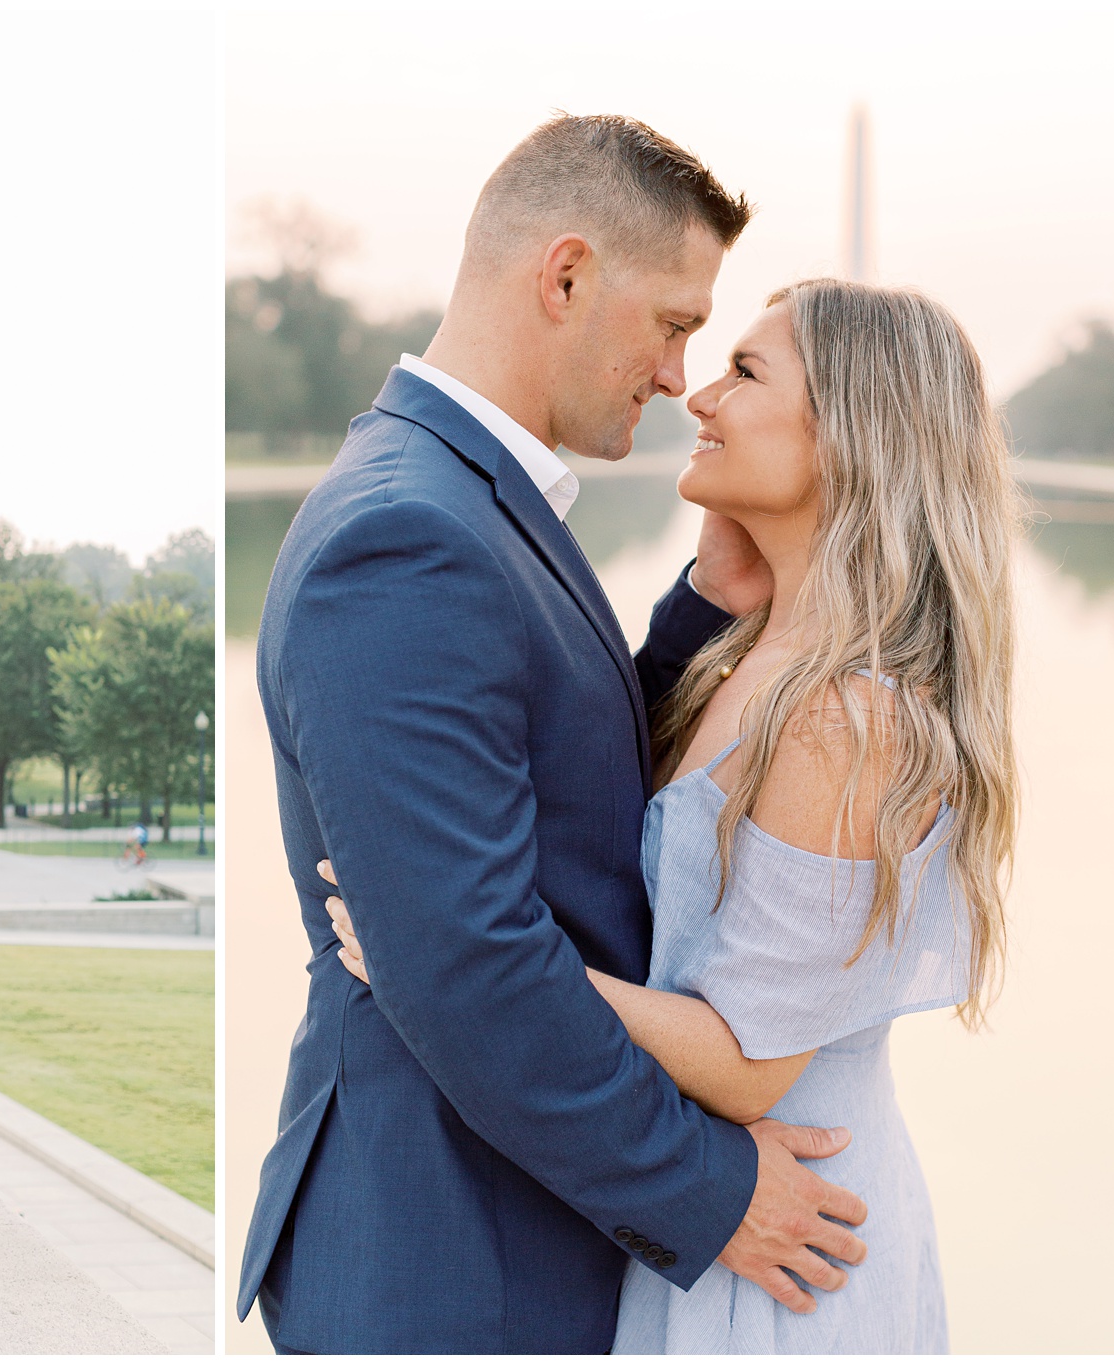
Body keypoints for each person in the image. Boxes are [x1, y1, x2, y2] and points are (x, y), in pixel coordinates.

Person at [237, 114, 871, 1354]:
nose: (680, 373)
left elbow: (551, 782)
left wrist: (700, 613)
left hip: (501, 1235)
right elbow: (465, 964)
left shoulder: (455, 497)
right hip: (452, 1260)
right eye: (675, 322)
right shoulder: (403, 538)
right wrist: (711, 1190)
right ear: (566, 275)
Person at [325, 280, 1020, 1351]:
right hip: (722, 1226)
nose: (694, 395)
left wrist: (435, 953)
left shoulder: (844, 716)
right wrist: (718, 571)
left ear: (851, 434)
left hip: (788, 1246)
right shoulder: (760, 661)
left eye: (742, 372)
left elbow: (748, 1058)